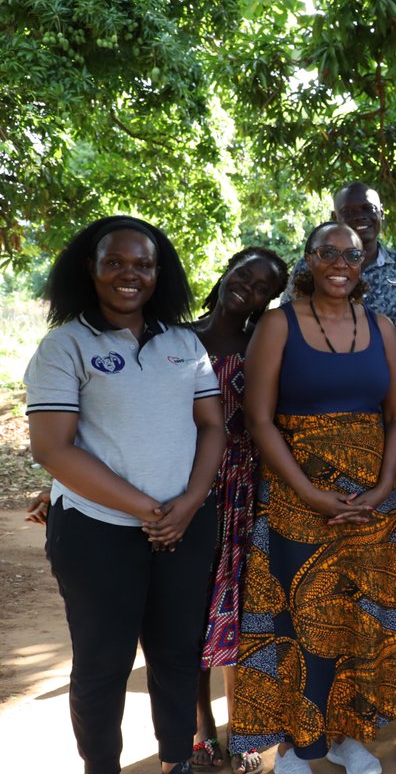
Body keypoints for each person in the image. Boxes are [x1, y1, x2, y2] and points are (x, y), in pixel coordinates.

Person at [25, 215, 226, 774]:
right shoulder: (64, 347)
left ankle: (175, 761)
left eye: (142, 264)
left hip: (184, 528)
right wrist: (149, 509)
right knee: (103, 664)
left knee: (176, 654)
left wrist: (187, 504)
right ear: (89, 270)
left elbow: (212, 427)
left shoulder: (184, 343)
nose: (128, 274)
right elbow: (54, 449)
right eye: (113, 262)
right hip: (95, 532)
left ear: (160, 273)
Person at [231, 223, 396, 774]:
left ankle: (344, 738)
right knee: (296, 623)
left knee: (356, 621)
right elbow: (258, 419)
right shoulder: (278, 325)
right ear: (309, 260)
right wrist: (308, 491)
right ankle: (294, 748)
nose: (339, 262)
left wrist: (381, 488)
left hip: (370, 509)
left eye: (351, 254)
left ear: (364, 262)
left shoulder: (381, 327)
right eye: (327, 252)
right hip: (294, 501)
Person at [189, 247, 289, 774]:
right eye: (243, 276)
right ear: (227, 272)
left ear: (269, 300)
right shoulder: (176, 337)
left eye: (261, 287)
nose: (247, 288)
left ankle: (244, 728)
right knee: (186, 612)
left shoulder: (262, 344)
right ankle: (200, 729)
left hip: (249, 491)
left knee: (244, 613)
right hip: (189, 491)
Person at [285, 182, 396, 325]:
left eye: (368, 208)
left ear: (381, 213)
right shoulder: (312, 264)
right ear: (335, 217)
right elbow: (288, 319)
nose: (360, 216)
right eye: (348, 211)